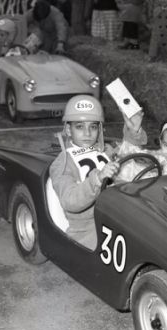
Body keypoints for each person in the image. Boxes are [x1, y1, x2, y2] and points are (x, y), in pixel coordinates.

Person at [49, 95, 146, 249]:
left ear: (99, 129)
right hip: (87, 229)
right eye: (79, 127)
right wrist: (98, 179)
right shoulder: (63, 163)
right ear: (68, 129)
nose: (87, 133)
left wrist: (133, 131)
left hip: (118, 214)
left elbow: (128, 154)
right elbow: (69, 200)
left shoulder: (105, 150)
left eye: (93, 127)